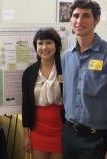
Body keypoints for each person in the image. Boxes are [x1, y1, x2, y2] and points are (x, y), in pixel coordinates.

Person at [61, 0, 107, 159]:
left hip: (97, 140)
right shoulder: (67, 57)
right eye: (76, 16)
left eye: (86, 16)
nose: (79, 20)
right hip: (69, 136)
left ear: (97, 20)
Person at [22, 27, 64, 159]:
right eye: (40, 43)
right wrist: (25, 136)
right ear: (36, 47)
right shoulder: (29, 73)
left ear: (56, 45)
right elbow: (26, 105)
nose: (44, 47)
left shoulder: (65, 68)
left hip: (61, 131)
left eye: (49, 42)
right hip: (38, 131)